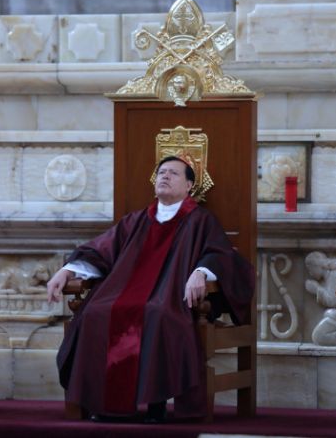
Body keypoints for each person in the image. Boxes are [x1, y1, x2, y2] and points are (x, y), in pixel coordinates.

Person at [47, 156, 254, 423]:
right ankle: (107, 404)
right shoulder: (135, 221)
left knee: (158, 313)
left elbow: (221, 254)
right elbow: (102, 250)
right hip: (124, 292)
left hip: (169, 296)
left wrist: (201, 272)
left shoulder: (200, 220)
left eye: (173, 174)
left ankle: (156, 405)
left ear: (190, 185)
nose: (165, 177)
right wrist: (66, 271)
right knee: (96, 312)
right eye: (161, 173)